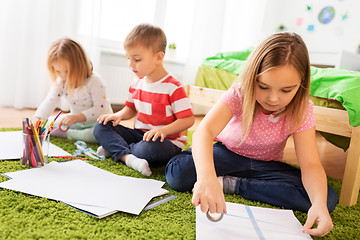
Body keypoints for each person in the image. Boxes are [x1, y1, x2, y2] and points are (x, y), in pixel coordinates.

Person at [165, 32, 337, 237]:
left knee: (326, 199)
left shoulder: (302, 109)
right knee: (177, 174)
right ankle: (219, 177)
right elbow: (205, 131)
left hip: (266, 166)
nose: (273, 98)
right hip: (227, 154)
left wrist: (318, 204)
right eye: (263, 87)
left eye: (286, 90)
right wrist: (206, 177)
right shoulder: (240, 93)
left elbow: (310, 164)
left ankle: (231, 184)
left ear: (301, 85)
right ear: (252, 77)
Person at [94, 24, 194, 177]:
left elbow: (188, 119)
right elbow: (131, 108)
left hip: (164, 142)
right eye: (129, 58)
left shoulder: (173, 87)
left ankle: (116, 148)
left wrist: (163, 130)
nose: (130, 64)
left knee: (149, 149)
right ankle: (128, 158)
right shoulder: (136, 83)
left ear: (158, 57)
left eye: (137, 59)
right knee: (101, 127)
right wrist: (118, 116)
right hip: (140, 135)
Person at [34, 38, 112, 143]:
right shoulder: (61, 81)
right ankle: (72, 133)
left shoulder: (95, 81)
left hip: (98, 123)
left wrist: (77, 117)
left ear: (80, 66)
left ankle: (70, 134)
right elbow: (50, 101)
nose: (62, 75)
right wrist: (38, 117)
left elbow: (100, 109)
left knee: (100, 133)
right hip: (75, 121)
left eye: (67, 71)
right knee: (47, 125)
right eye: (58, 71)